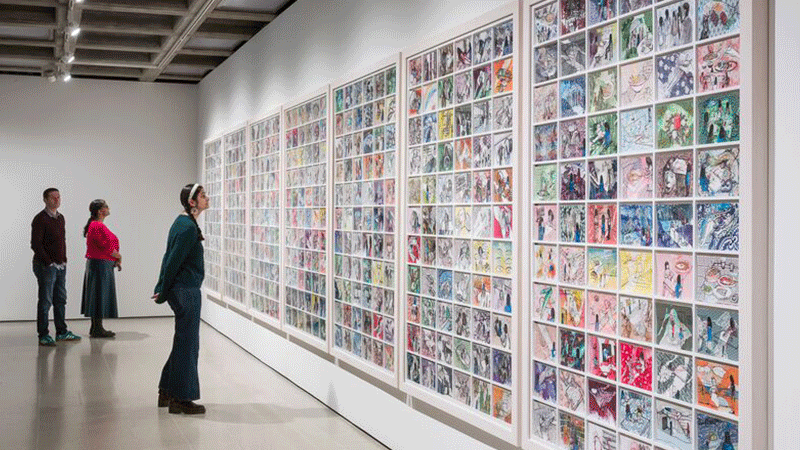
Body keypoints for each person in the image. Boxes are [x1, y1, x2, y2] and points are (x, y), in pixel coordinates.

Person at [152, 184, 209, 415]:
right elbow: (173, 260)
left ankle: (167, 390)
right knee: (188, 345)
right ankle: (181, 398)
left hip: (183, 289)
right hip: (186, 291)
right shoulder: (186, 227)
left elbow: (168, 258)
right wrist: (162, 290)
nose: (207, 199)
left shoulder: (183, 222)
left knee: (182, 343)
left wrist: (162, 287)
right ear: (192, 202)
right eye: (203, 196)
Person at [31, 187, 81, 346]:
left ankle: (61, 331)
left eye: (58, 197)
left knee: (60, 299)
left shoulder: (60, 218)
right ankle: (43, 335)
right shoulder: (40, 219)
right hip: (46, 266)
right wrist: (49, 262)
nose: (57, 200)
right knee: (46, 301)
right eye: (53, 198)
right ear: (45, 199)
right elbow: (36, 244)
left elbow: (61, 242)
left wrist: (63, 260)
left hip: (60, 265)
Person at [81, 199, 121, 337]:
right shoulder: (97, 226)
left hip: (99, 265)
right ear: (100, 211)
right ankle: (97, 328)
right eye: (106, 206)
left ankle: (96, 327)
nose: (108, 208)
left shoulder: (96, 225)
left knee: (98, 295)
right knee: (99, 295)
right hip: (100, 265)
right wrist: (118, 257)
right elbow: (106, 246)